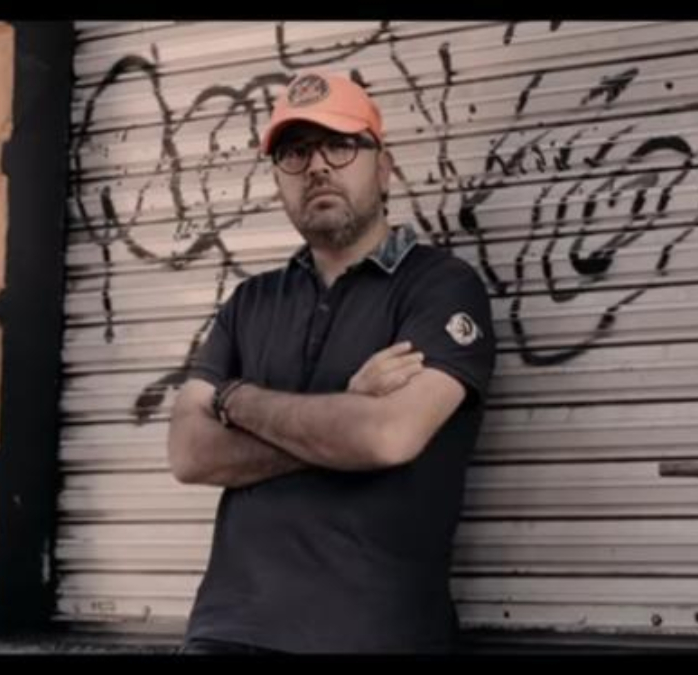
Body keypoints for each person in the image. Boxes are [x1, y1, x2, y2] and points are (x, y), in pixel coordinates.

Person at [167, 71, 496, 654]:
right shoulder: (250, 302)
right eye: (295, 153)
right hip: (225, 633)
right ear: (278, 180)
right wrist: (343, 410)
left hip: (373, 635)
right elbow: (189, 453)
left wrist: (237, 400)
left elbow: (385, 437)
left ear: (384, 167)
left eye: (340, 144)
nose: (316, 166)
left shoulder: (441, 288)